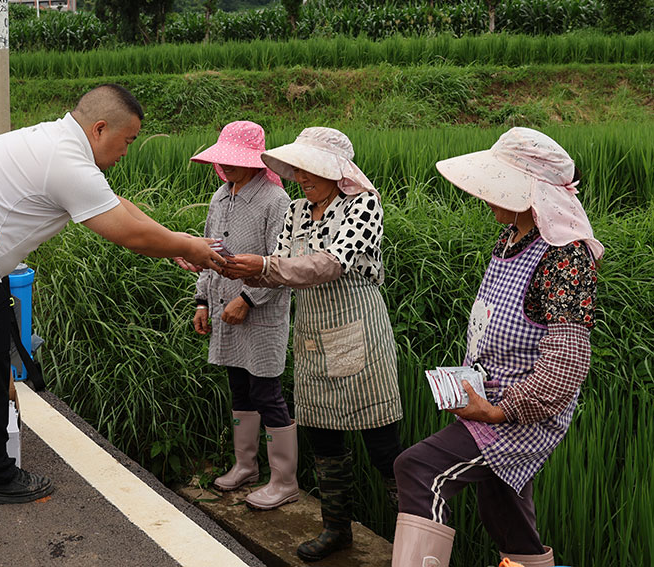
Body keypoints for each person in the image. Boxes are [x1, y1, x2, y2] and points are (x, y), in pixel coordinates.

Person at [0, 84, 226, 506]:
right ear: (100, 128)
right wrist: (187, 247)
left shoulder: (55, 140)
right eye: (127, 141)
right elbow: (128, 233)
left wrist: (176, 239)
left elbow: (115, 204)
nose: (127, 150)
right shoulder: (66, 161)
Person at [391, 127, 603, 567]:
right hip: (490, 396)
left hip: (521, 410)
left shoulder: (563, 255)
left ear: (533, 193)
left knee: (419, 469)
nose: (488, 195)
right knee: (502, 503)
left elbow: (567, 362)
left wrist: (498, 411)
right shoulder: (512, 238)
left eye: (499, 185)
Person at [223, 127, 404, 561]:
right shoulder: (298, 210)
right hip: (311, 333)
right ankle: (336, 529)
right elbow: (282, 267)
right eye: (299, 168)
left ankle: (413, 540)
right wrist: (230, 267)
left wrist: (265, 265)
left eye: (312, 168)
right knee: (324, 437)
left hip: (358, 327)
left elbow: (330, 264)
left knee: (382, 443)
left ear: (337, 171)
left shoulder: (362, 204)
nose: (302, 176)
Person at [190, 121, 295, 509]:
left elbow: (283, 265)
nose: (227, 167)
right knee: (239, 389)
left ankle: (284, 480)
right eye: (224, 160)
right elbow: (206, 252)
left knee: (267, 393)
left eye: (236, 160)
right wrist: (202, 301)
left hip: (261, 316)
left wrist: (247, 300)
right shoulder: (221, 196)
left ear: (257, 162)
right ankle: (245, 466)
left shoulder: (275, 201)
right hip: (222, 310)